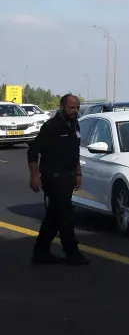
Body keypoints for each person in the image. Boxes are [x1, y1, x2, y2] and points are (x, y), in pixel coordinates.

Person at [26, 93, 90, 266]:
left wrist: (78, 174)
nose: (75, 110)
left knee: (54, 217)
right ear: (62, 107)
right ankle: (72, 252)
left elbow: (74, 152)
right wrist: (34, 176)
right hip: (53, 179)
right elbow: (33, 152)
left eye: (77, 107)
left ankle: (40, 252)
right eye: (71, 107)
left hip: (68, 178)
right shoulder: (51, 127)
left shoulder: (75, 125)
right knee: (66, 216)